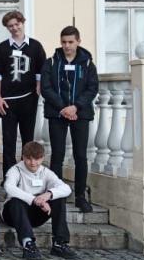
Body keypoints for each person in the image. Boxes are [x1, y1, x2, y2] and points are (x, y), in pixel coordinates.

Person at [40, 26, 99, 213]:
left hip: (80, 114)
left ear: (78, 41)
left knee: (80, 156)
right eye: (64, 42)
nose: (67, 46)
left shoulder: (88, 64)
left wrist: (75, 107)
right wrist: (63, 108)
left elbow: (92, 88)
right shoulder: (51, 62)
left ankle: (80, 196)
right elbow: (46, 88)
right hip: (57, 113)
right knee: (57, 155)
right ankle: (56, 195)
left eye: (71, 42)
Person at [0, 10, 46, 175]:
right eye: (10, 26)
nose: (14, 28)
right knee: (9, 140)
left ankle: (27, 174)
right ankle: (9, 175)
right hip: (8, 100)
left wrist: (38, 86)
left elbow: (40, 70)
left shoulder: (35, 46)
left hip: (28, 98)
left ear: (22, 23)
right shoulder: (2, 48)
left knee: (28, 138)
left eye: (17, 24)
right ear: (7, 28)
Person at [1, 141, 77, 260]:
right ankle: (28, 244)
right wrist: (34, 200)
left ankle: (59, 243)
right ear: (23, 157)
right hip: (14, 214)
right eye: (29, 159)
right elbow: (9, 187)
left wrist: (49, 194)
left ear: (42, 158)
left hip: (36, 214)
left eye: (37, 159)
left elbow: (66, 188)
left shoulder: (45, 172)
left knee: (58, 198)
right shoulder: (15, 170)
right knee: (16, 201)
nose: (33, 163)